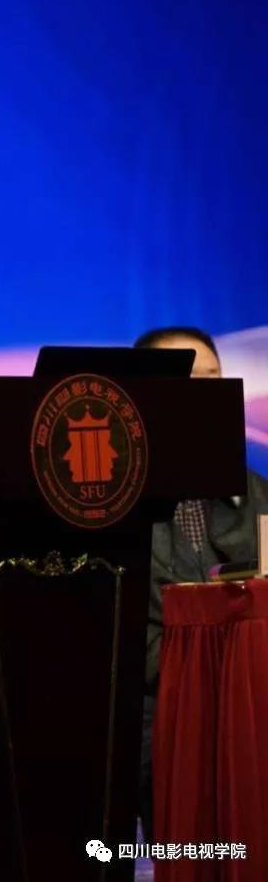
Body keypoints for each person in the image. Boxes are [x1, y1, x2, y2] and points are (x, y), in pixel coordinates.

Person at [134, 326, 268, 840]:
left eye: (215, 377)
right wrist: (188, 674)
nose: (208, 392)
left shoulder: (257, 494)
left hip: (245, 709)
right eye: (188, 379)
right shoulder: (108, 501)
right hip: (157, 715)